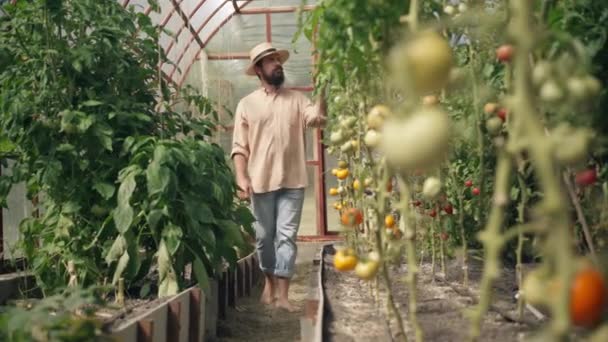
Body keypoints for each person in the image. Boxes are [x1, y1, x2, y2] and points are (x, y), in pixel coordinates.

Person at [230, 42, 326, 312]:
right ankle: (269, 284)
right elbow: (239, 147)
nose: (277, 63)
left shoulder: (297, 99)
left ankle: (283, 296)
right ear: (259, 69)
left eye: (277, 59)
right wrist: (241, 177)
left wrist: (324, 91)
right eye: (270, 61)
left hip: (292, 181)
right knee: (263, 237)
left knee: (286, 237)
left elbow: (318, 119)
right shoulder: (246, 104)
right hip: (260, 182)